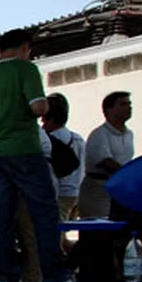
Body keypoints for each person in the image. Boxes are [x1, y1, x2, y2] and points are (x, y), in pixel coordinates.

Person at [0, 28, 74, 282]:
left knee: (3, 215)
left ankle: (7, 277)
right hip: (25, 149)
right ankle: (53, 276)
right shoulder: (26, 69)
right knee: (44, 212)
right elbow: (38, 108)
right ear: (25, 47)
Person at [80, 91, 134, 219]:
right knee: (99, 232)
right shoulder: (99, 134)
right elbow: (106, 162)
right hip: (98, 190)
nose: (129, 107)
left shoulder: (129, 134)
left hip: (119, 189)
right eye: (123, 104)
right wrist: (130, 174)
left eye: (129, 104)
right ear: (108, 110)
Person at [42, 93, 86, 223]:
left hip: (61, 194)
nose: (43, 126)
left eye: (44, 121)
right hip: (77, 193)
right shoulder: (77, 138)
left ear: (51, 119)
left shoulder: (51, 141)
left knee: (56, 234)